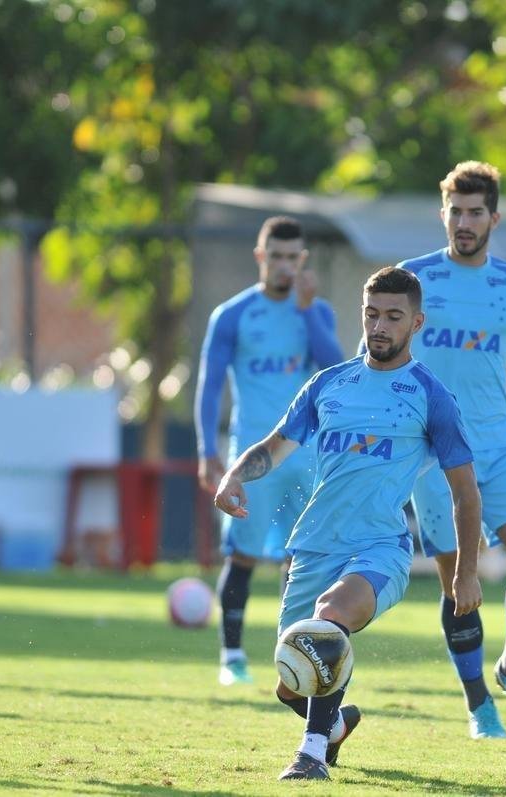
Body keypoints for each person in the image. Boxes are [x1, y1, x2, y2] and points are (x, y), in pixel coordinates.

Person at [215, 267, 482, 780]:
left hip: (379, 548)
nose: (379, 326)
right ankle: (334, 727)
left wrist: (464, 573)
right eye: (372, 314)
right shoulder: (329, 384)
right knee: (292, 682)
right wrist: (233, 475)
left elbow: (465, 492)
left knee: (328, 619)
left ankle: (311, 754)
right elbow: (274, 446)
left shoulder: (430, 395)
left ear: (417, 322)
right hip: (313, 547)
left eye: (393, 317)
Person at [397, 161, 506, 739]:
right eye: (455, 212)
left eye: (475, 213)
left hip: (496, 445)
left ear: (494, 217)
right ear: (442, 214)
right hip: (430, 456)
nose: (464, 222)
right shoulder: (412, 278)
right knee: (458, 584)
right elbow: (380, 354)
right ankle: (478, 706)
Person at [195, 215, 344, 686]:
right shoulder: (233, 314)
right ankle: (232, 657)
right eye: (275, 256)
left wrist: (304, 310)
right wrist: (206, 449)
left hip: (307, 456)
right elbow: (209, 385)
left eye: (293, 257)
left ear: (303, 261)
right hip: (252, 458)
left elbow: (336, 371)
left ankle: (290, 655)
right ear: (260, 257)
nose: (284, 265)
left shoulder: (316, 312)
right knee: (242, 555)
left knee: (299, 560)